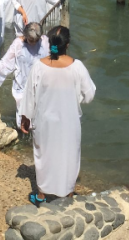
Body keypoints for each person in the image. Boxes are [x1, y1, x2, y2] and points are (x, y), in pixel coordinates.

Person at [20, 26, 96, 204]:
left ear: (49, 44)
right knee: (69, 155)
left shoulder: (39, 66)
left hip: (44, 122)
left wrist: (25, 118)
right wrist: (75, 98)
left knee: (44, 155)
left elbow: (29, 96)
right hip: (69, 122)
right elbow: (89, 94)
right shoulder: (77, 67)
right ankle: (68, 194)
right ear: (67, 45)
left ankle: (41, 195)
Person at [0, 22, 49, 128]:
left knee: (40, 119)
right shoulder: (18, 44)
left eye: (36, 40)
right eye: (31, 40)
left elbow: (53, 58)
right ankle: (23, 140)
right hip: (22, 87)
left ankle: (36, 141)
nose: (33, 43)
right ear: (26, 36)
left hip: (41, 86)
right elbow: (5, 62)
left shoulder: (45, 42)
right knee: (23, 117)